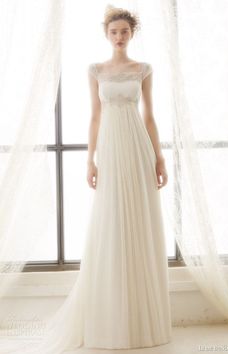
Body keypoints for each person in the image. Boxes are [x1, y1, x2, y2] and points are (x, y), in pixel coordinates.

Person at [0, 5, 172, 354]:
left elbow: (149, 116)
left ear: (131, 34)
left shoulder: (143, 69)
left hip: (137, 148)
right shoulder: (95, 70)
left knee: (139, 222)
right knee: (110, 222)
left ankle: (142, 319)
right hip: (110, 147)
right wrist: (90, 160)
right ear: (106, 35)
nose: (119, 37)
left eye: (124, 32)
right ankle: (112, 318)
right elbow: (95, 117)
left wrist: (159, 157)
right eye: (114, 32)